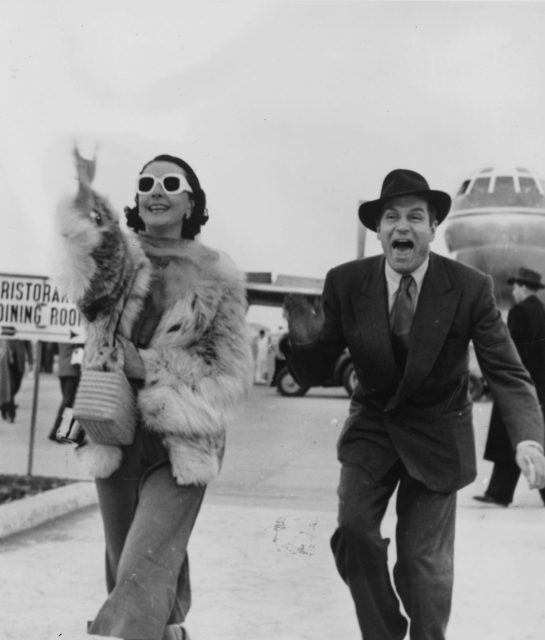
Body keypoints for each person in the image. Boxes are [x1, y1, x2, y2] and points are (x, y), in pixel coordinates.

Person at [282, 169, 545, 640]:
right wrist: (302, 342)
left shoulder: (469, 287)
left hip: (438, 432)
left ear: (433, 228)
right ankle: (383, 632)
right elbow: (317, 368)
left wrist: (529, 436)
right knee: (354, 532)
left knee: (423, 566)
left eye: (415, 217)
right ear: (379, 231)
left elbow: (507, 371)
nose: (402, 227)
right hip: (373, 430)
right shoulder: (346, 282)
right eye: (391, 218)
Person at [56, 150, 253, 640]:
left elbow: (228, 372)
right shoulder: (118, 259)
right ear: (137, 200)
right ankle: (167, 634)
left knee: (141, 570)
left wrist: (150, 366)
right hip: (113, 429)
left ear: (190, 202)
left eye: (171, 183)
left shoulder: (217, 275)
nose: (157, 191)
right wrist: (84, 194)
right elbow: (85, 264)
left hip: (182, 440)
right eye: (147, 184)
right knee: (129, 566)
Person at [474, 266, 545, 507]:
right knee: (526, 439)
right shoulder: (542, 311)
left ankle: (499, 493)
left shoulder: (520, 311)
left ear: (524, 288)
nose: (514, 292)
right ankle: (498, 492)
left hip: (518, 387)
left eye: (516, 287)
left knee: (510, 436)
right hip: (538, 388)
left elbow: (512, 352)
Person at [48, 342, 84, 442]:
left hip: (63, 369)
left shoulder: (62, 332)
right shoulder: (77, 333)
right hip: (73, 370)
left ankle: (68, 432)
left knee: (69, 403)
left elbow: (52, 347)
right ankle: (58, 432)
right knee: (68, 402)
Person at [0, 339, 33, 422]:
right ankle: (11, 413)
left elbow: (28, 345)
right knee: (11, 387)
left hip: (19, 361)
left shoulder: (24, 327)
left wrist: (30, 361)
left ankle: (4, 403)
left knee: (16, 387)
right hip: (7, 360)